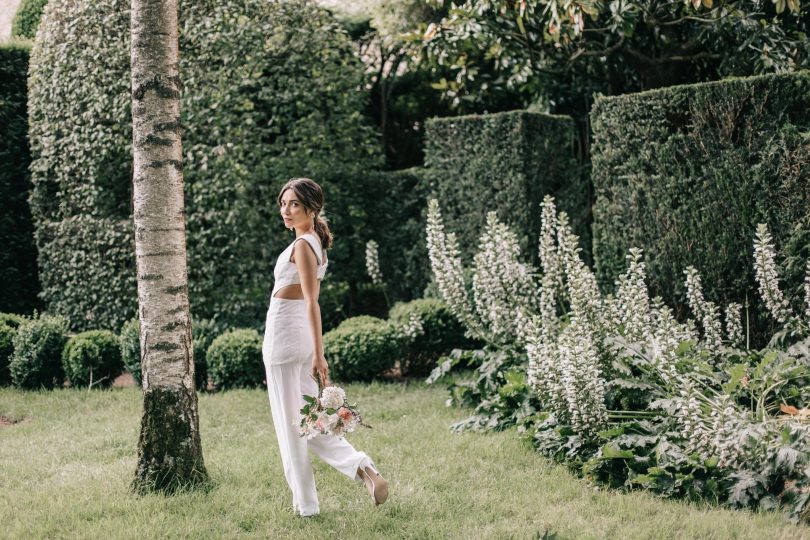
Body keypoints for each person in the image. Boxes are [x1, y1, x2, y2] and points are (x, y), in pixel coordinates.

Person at [262, 177, 388, 517]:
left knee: (293, 426)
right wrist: (315, 350)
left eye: (294, 205)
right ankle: (364, 470)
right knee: (306, 420)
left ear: (311, 209)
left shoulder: (303, 245)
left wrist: (319, 353)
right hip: (296, 336)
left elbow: (311, 302)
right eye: (283, 203)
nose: (285, 211)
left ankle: (308, 506)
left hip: (286, 336)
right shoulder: (315, 240)